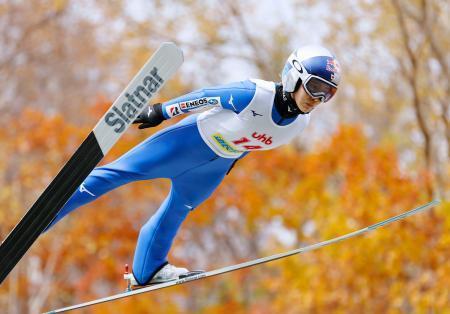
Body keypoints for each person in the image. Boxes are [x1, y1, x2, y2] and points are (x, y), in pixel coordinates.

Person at [45, 45, 341, 287]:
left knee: (177, 211)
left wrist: (227, 166)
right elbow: (205, 96)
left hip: (214, 168)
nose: (318, 99)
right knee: (119, 173)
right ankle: (48, 213)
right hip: (185, 143)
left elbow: (250, 141)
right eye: (315, 87)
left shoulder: (299, 126)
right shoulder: (255, 94)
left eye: (327, 93)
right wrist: (161, 111)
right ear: (294, 75)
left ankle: (146, 271)